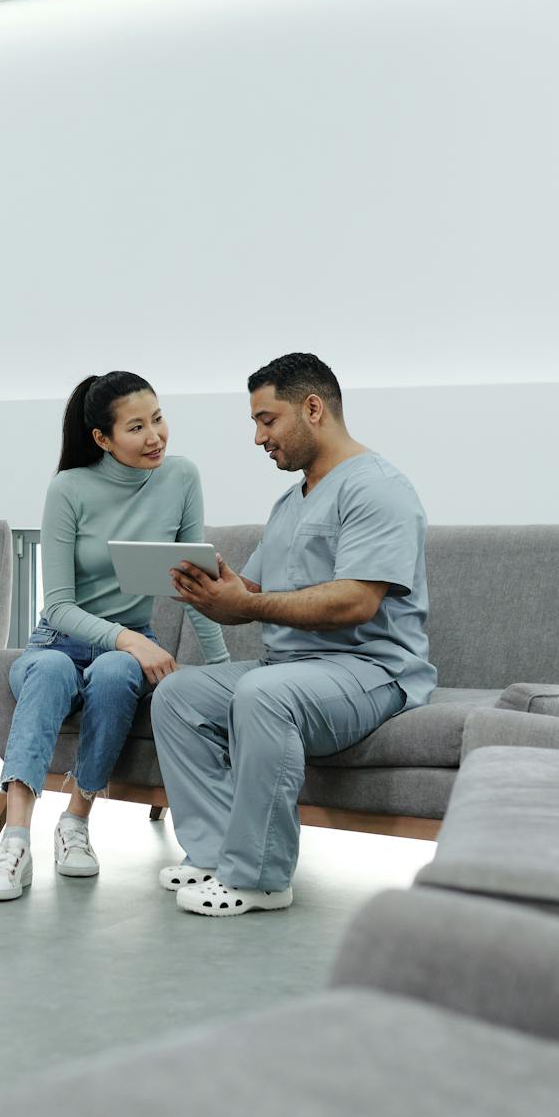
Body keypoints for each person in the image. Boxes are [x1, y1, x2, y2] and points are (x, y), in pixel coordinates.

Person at [154, 352, 434, 917]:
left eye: (267, 419)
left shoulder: (377, 489)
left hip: (371, 672)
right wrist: (215, 594)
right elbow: (253, 598)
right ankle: (212, 855)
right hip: (290, 670)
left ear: (312, 409)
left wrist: (248, 600)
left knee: (265, 695)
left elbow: (357, 600)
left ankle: (259, 877)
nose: (259, 437)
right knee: (178, 695)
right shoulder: (291, 501)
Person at [0, 371, 231, 902]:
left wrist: (224, 670)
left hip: (125, 646)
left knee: (117, 673)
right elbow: (59, 606)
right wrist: (131, 640)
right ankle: (15, 840)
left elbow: (196, 584)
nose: (155, 436)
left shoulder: (181, 478)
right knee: (49, 670)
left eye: (158, 418)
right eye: (136, 427)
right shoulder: (68, 489)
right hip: (57, 643)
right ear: (102, 438)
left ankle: (75, 823)